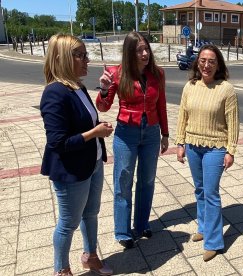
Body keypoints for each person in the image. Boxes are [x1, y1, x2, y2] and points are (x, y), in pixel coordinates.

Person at [40, 34, 114, 276]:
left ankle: (90, 256)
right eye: (80, 55)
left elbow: (85, 122)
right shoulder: (54, 93)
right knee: (68, 224)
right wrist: (94, 132)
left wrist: (96, 128)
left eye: (86, 55)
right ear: (62, 58)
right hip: (71, 171)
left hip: (91, 163)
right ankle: (61, 270)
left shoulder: (78, 87)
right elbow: (57, 143)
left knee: (91, 213)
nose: (86, 60)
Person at [96, 31, 169, 249]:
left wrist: (165, 134)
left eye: (147, 49)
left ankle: (141, 223)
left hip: (151, 133)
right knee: (123, 182)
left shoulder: (158, 74)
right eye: (139, 50)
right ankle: (122, 231)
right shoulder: (116, 74)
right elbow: (103, 107)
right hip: (126, 133)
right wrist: (104, 89)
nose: (145, 54)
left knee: (147, 180)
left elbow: (161, 105)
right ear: (130, 52)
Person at [175, 44, 240, 262]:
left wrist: (231, 150)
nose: (207, 65)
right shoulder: (190, 86)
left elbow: (233, 122)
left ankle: (213, 242)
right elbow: (182, 116)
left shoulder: (226, 89)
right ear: (197, 62)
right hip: (193, 145)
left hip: (216, 148)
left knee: (211, 193)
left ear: (218, 64)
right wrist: (180, 143)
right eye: (203, 60)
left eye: (212, 61)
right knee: (200, 190)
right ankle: (203, 227)